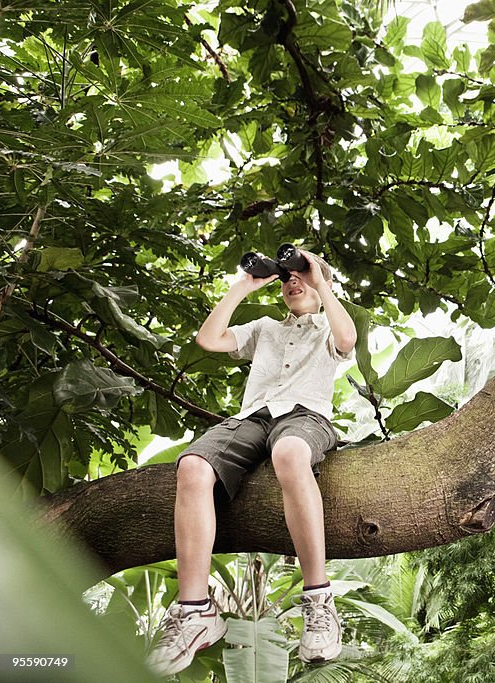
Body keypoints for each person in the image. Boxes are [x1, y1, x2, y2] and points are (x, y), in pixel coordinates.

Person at [147, 249, 357, 676]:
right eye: (287, 277)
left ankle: (319, 600)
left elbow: (348, 340)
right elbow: (209, 339)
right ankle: (194, 613)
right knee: (192, 466)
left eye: (302, 275)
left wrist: (322, 282)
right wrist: (244, 286)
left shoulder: (327, 326)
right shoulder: (265, 329)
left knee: (290, 452)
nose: (293, 281)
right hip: (251, 418)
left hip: (305, 416)